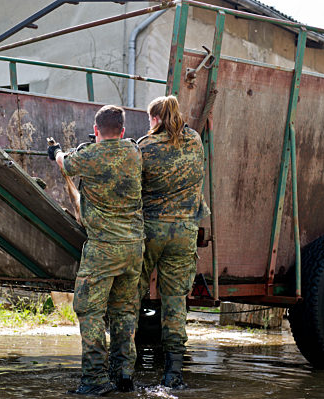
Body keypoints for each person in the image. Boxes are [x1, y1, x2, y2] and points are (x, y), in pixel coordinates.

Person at [47, 105, 144, 395]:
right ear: (123, 130)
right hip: (134, 247)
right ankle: (124, 374)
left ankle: (94, 380)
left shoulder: (91, 155)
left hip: (103, 248)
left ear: (97, 130)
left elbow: (65, 164)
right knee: (125, 311)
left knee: (89, 311)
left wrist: (57, 153)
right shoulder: (134, 151)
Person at [136, 95, 209, 389]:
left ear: (155, 119)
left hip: (151, 230)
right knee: (175, 301)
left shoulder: (145, 146)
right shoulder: (194, 141)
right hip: (184, 231)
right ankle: (173, 372)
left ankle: (130, 364)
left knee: (133, 295)